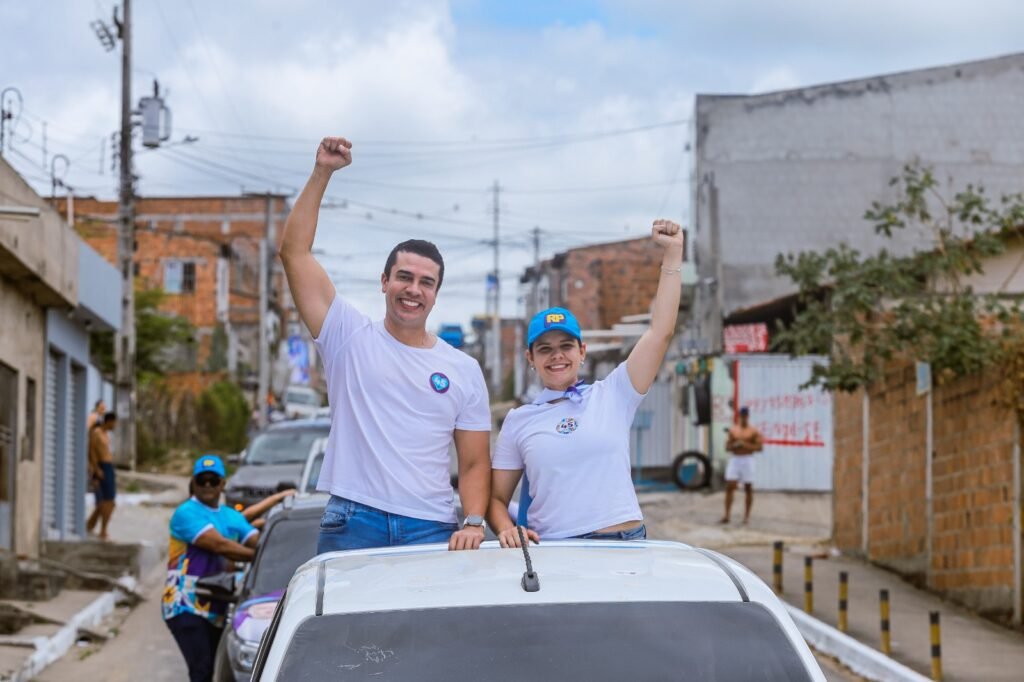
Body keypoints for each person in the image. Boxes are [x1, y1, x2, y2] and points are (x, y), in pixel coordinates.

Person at [280, 136, 492, 554]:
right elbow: (294, 253)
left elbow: (473, 462)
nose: (413, 290)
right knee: (340, 623)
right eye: (404, 277)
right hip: (354, 520)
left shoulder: (463, 369)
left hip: (431, 526)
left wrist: (473, 521)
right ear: (384, 282)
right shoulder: (347, 335)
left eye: (425, 283)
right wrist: (323, 171)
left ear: (436, 293)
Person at [488, 220, 684, 545]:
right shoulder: (518, 421)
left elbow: (660, 331)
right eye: (545, 349)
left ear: (582, 352)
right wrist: (507, 530)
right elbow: (497, 500)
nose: (556, 356)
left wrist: (673, 255)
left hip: (625, 544)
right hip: (556, 548)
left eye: (566, 346)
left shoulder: (614, 393)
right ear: (530, 359)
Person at [162, 455, 260, 682]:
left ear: (222, 484)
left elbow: (255, 539)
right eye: (202, 480)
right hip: (185, 604)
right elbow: (220, 545)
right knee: (202, 670)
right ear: (193, 483)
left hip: (217, 605)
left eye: (213, 480)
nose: (207, 485)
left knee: (213, 671)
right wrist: (262, 556)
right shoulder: (186, 513)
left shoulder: (230, 515)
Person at [720, 406, 764, 525]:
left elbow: (759, 447)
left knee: (748, 487)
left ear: (747, 417)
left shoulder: (753, 431)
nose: (743, 418)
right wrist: (735, 445)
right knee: (730, 485)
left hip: (747, 459)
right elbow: (727, 447)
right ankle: (727, 515)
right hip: (736, 459)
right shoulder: (734, 430)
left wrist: (744, 445)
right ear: (739, 416)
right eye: (742, 416)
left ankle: (746, 517)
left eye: (745, 416)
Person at [86, 412, 117, 540]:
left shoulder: (106, 435)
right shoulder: (97, 433)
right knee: (104, 502)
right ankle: (101, 529)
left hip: (108, 466)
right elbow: (91, 451)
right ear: (108, 421)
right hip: (101, 467)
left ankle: (91, 525)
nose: (115, 425)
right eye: (114, 422)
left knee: (109, 502)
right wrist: (96, 469)